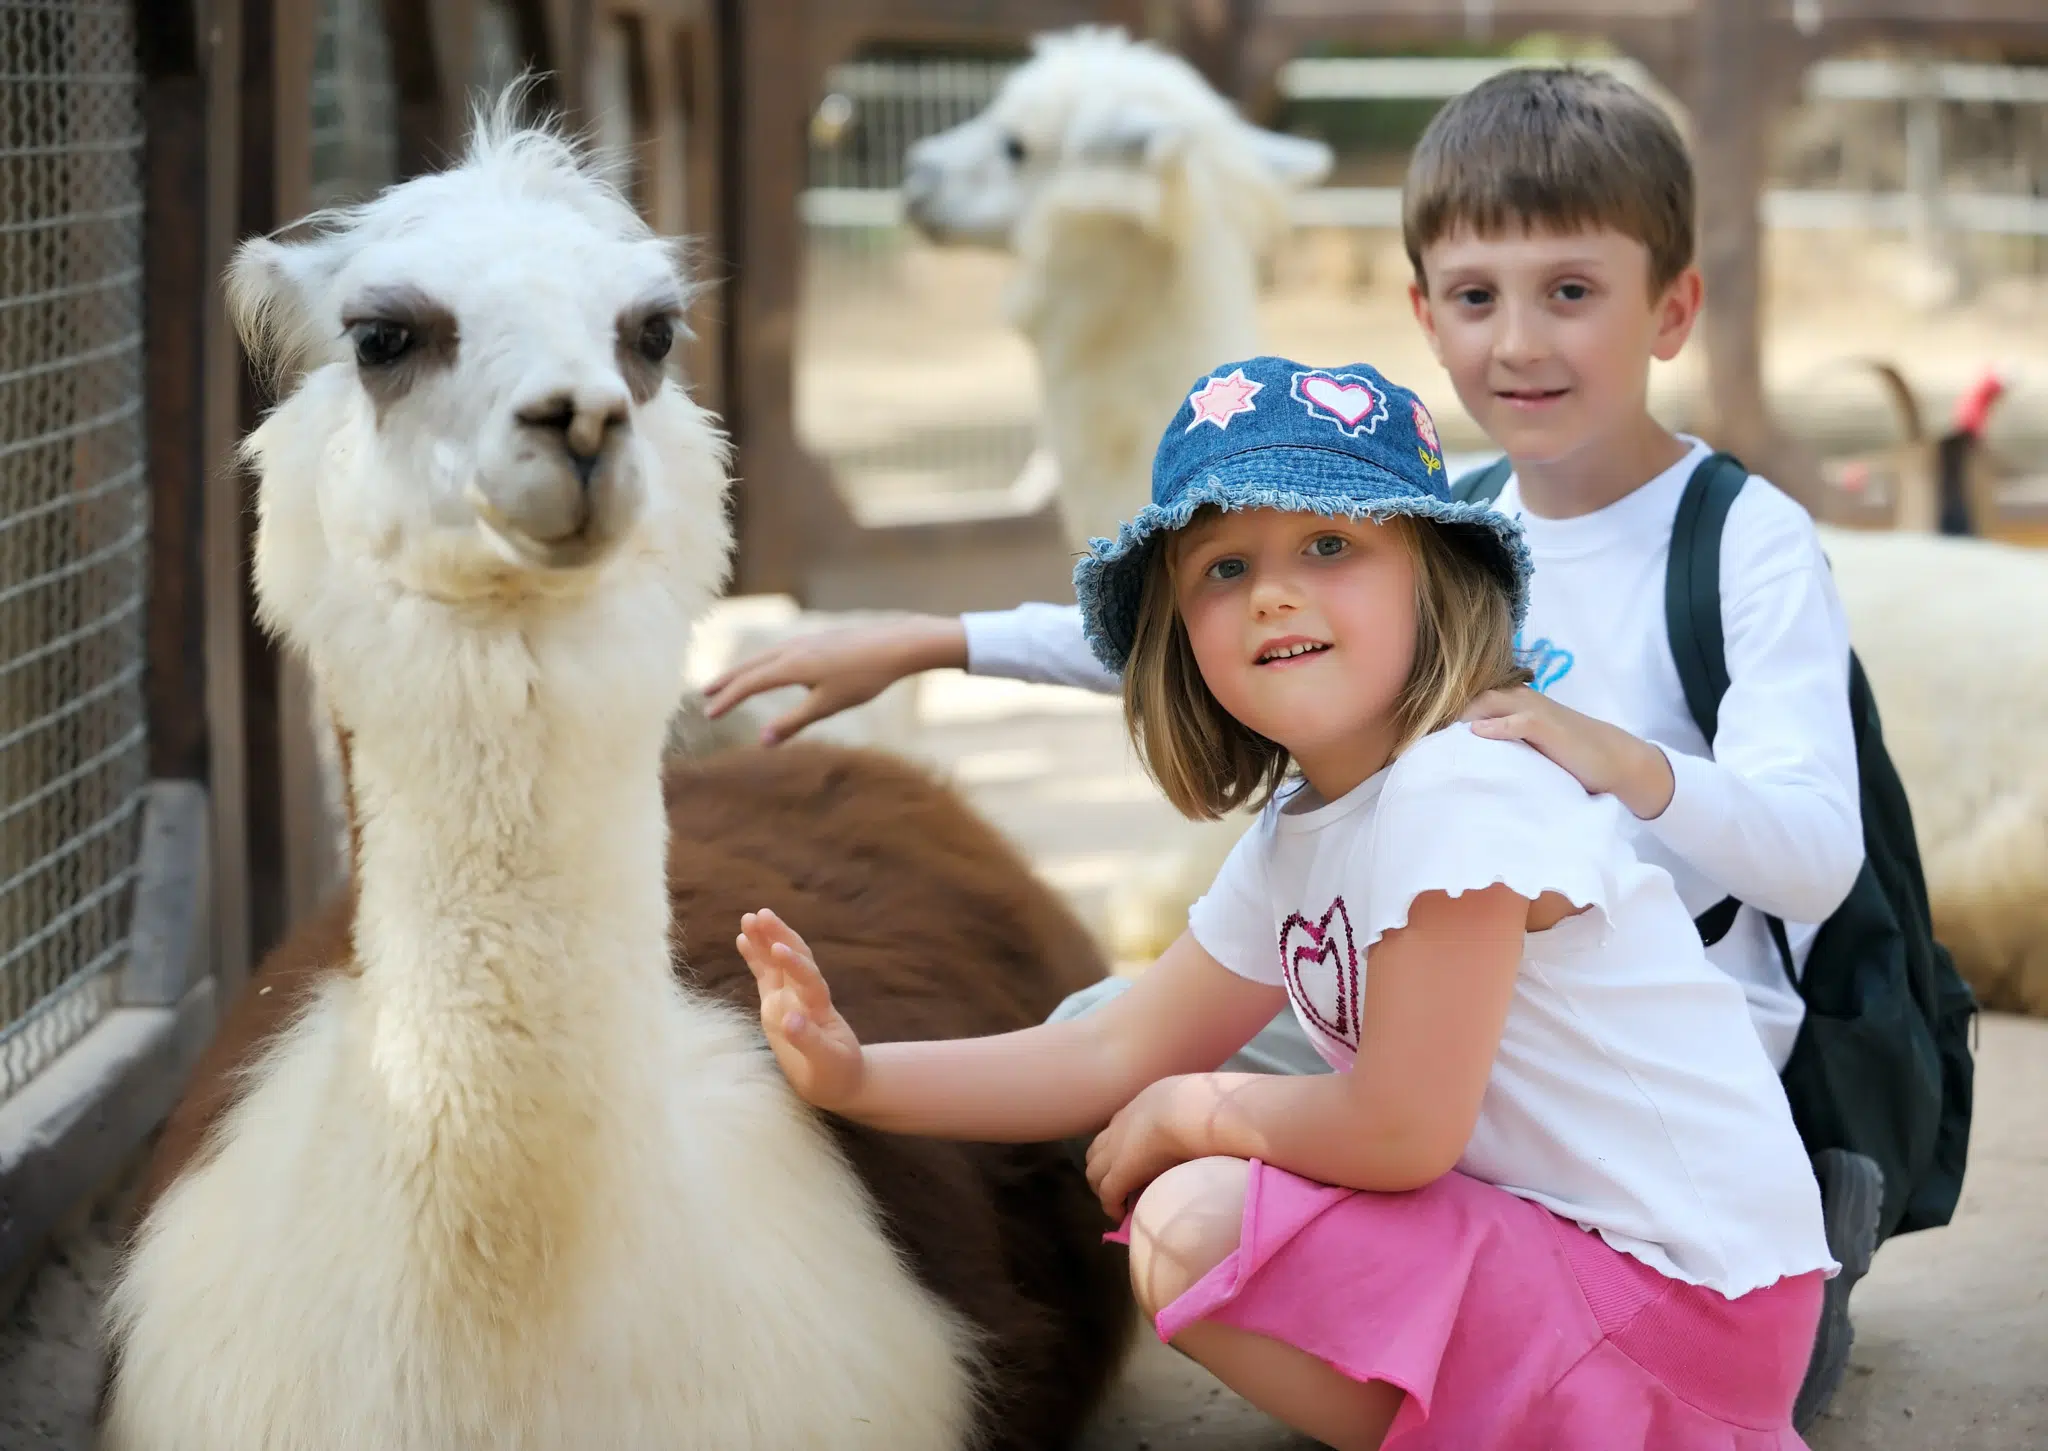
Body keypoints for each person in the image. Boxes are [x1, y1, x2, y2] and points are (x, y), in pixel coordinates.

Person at [701, 67, 1879, 1426]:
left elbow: (1400, 1128)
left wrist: (1206, 1106)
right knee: (1150, 1115)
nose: (1274, 594)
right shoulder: (1309, 820)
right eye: (1223, 571)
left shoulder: (1473, 779)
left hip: (1682, 1273)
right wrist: (852, 1070)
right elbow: (1110, 1053)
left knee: (1205, 1201)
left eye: (1329, 546)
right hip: (1527, 1174)